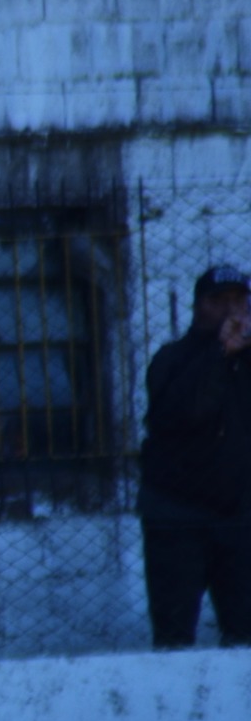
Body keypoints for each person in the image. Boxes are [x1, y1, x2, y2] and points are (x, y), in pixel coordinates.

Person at [137, 264, 251, 648]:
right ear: (198, 307)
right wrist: (221, 353)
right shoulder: (172, 359)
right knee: (173, 636)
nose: (230, 310)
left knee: (245, 630)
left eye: (239, 300)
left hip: (239, 516)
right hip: (176, 515)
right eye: (218, 300)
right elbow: (186, 413)